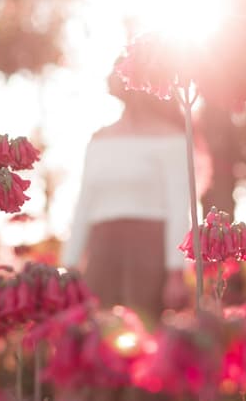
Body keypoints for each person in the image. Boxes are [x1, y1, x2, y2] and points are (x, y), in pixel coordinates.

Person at [61, 68, 209, 401]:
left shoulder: (173, 138)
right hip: (101, 255)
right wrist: (68, 269)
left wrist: (175, 272)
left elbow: (178, 208)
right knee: (97, 347)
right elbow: (83, 203)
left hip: (151, 255)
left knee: (147, 353)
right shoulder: (99, 139)